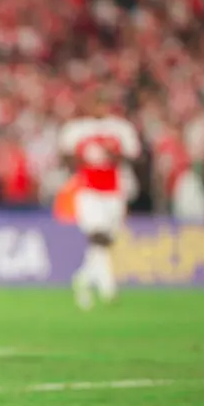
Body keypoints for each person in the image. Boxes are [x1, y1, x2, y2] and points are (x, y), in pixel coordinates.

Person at [58, 87, 140, 310]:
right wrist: (79, 159)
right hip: (88, 191)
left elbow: (133, 156)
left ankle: (82, 280)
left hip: (114, 191)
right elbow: (65, 158)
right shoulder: (76, 129)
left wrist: (112, 154)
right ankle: (108, 289)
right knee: (98, 237)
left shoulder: (120, 128)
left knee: (106, 242)